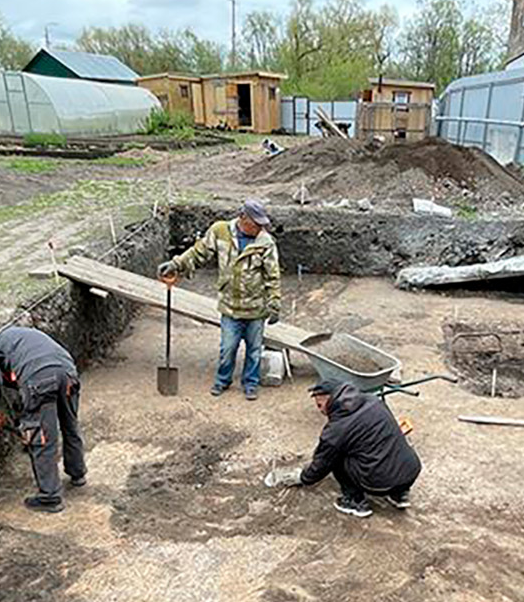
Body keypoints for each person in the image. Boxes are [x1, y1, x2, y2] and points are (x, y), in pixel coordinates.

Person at [157, 199, 282, 400]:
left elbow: (272, 275)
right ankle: (223, 380)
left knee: (254, 351)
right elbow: (198, 253)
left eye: (262, 224)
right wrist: (175, 264)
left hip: (256, 308)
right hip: (230, 307)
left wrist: (274, 303)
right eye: (256, 224)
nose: (260, 228)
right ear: (243, 218)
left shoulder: (265, 242)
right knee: (228, 348)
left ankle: (251, 384)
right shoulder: (220, 232)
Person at [0, 326, 86, 513]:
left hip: (40, 377)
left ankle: (50, 497)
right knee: (69, 424)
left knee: (40, 438)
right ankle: (77, 473)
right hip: (67, 371)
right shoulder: (17, 339)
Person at [276, 381, 422, 518]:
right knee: (389, 441)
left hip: (378, 483)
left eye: (320, 405)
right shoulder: (374, 401)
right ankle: (400, 494)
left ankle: (355, 502)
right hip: (411, 472)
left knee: (336, 459)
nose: (320, 411)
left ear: (331, 400)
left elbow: (322, 464)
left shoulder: (336, 430)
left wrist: (303, 477)